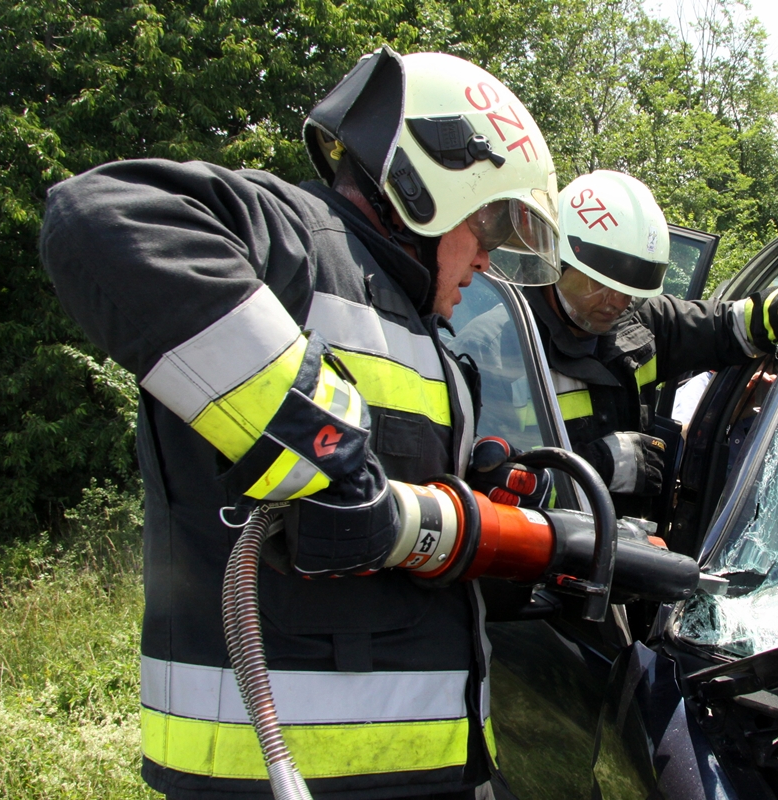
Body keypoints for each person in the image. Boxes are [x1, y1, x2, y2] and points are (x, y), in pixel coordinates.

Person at [40, 47, 560, 800]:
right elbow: (100, 214)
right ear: (433, 185)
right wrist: (331, 452)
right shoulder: (299, 244)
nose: (487, 261)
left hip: (412, 773)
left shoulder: (420, 329)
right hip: (268, 772)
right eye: (488, 229)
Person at [454, 170, 778, 519]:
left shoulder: (641, 323)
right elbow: (486, 486)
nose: (617, 302)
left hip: (622, 559)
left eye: (628, 291)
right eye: (602, 285)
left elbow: (727, 326)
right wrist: (601, 466)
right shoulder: (496, 346)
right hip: (538, 577)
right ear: (559, 259)